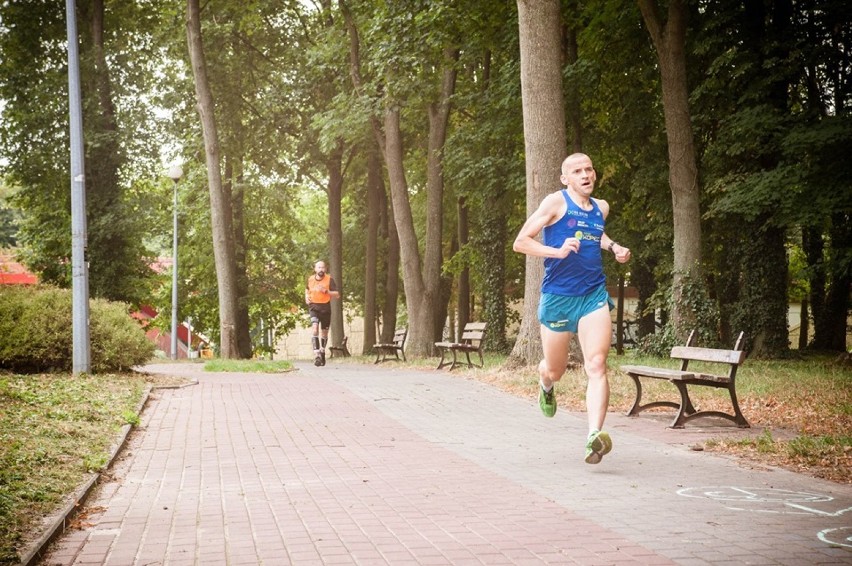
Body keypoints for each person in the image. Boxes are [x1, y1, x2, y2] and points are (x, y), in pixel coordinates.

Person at [513, 153, 631, 464]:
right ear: (566, 179)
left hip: (593, 295)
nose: (585, 174)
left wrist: (613, 246)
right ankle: (546, 382)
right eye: (577, 171)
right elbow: (521, 242)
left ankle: (594, 436)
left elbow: (596, 233)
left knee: (596, 364)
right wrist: (557, 251)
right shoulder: (555, 203)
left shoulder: (601, 208)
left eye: (589, 168)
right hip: (558, 296)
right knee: (557, 369)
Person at [305, 260, 339, 366]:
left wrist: (327, 292)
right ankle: (317, 355)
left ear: (326, 269)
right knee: (314, 329)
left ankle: (322, 350)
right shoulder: (310, 279)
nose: (321, 269)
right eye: (319, 267)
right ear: (315, 269)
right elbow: (306, 290)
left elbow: (337, 294)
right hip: (314, 308)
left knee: (324, 333)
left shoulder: (329, 280)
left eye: (323, 267)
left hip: (325, 309)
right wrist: (306, 297)